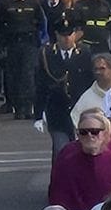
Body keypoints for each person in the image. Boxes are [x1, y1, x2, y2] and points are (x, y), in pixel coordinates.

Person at [34, 18, 94, 162]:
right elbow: (40, 85)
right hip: (57, 111)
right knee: (61, 152)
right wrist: (38, 114)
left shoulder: (85, 53)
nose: (66, 38)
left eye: (69, 34)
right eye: (62, 35)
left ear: (75, 34)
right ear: (56, 35)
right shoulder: (46, 54)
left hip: (80, 110)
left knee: (84, 152)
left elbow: (90, 83)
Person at [48, 109, 111, 210]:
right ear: (78, 135)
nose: (89, 135)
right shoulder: (67, 164)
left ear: (105, 134)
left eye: (95, 131)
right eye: (84, 132)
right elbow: (58, 198)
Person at [0, 0, 47, 119]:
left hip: (29, 42)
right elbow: (0, 24)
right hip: (13, 43)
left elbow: (41, 21)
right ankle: (18, 107)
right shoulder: (6, 3)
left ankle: (28, 107)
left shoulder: (33, 2)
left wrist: (39, 39)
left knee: (28, 75)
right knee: (15, 76)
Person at [70, 53, 111, 127]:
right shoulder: (86, 98)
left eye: (102, 68)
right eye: (96, 69)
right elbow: (76, 121)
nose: (98, 72)